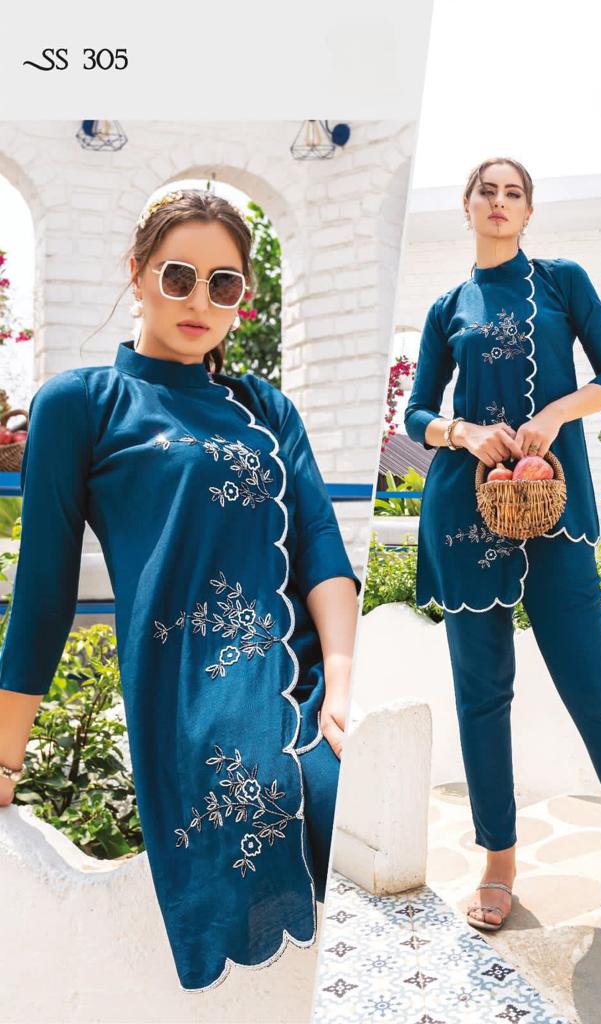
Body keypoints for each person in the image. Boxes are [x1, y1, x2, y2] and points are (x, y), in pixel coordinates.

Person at [0, 189, 362, 991]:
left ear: (242, 299)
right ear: (136, 274)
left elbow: (322, 552)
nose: (200, 301)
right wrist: (3, 759)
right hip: (196, 701)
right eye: (178, 277)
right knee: (283, 809)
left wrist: (341, 684)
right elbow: (44, 593)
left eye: (222, 284)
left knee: (361, 803)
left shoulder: (267, 409)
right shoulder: (82, 404)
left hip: (311, 680)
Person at [403, 158, 601, 953]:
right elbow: (416, 413)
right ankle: (498, 862)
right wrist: (463, 432)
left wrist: (555, 414)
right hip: (467, 512)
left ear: (528, 211)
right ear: (467, 206)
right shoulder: (446, 307)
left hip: (555, 511)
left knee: (596, 692)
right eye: (486, 191)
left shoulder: (561, 281)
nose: (499, 203)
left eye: (513, 193)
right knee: (481, 695)